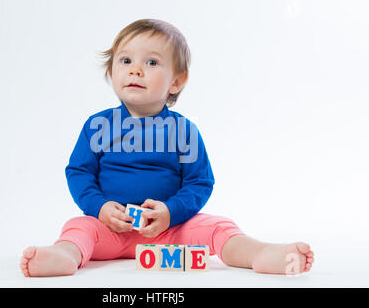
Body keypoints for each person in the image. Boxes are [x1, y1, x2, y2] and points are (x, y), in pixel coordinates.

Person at [20, 19, 314, 277]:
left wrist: (170, 212)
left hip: (170, 232)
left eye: (151, 63)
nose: (135, 70)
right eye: (125, 61)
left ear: (176, 81)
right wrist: (99, 208)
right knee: (78, 227)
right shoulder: (98, 126)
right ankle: (65, 256)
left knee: (218, 226)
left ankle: (258, 254)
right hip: (109, 230)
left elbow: (199, 182)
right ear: (111, 72)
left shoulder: (183, 131)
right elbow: (79, 173)